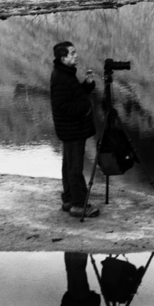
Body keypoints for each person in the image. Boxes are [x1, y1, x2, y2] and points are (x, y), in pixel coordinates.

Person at [50, 41, 99, 218]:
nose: (76, 55)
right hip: (72, 129)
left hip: (72, 128)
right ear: (63, 58)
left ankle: (69, 199)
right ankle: (79, 205)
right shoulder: (61, 78)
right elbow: (62, 105)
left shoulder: (66, 74)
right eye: (72, 53)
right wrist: (84, 107)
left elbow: (74, 94)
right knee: (75, 167)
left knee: (70, 164)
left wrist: (87, 85)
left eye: (75, 52)